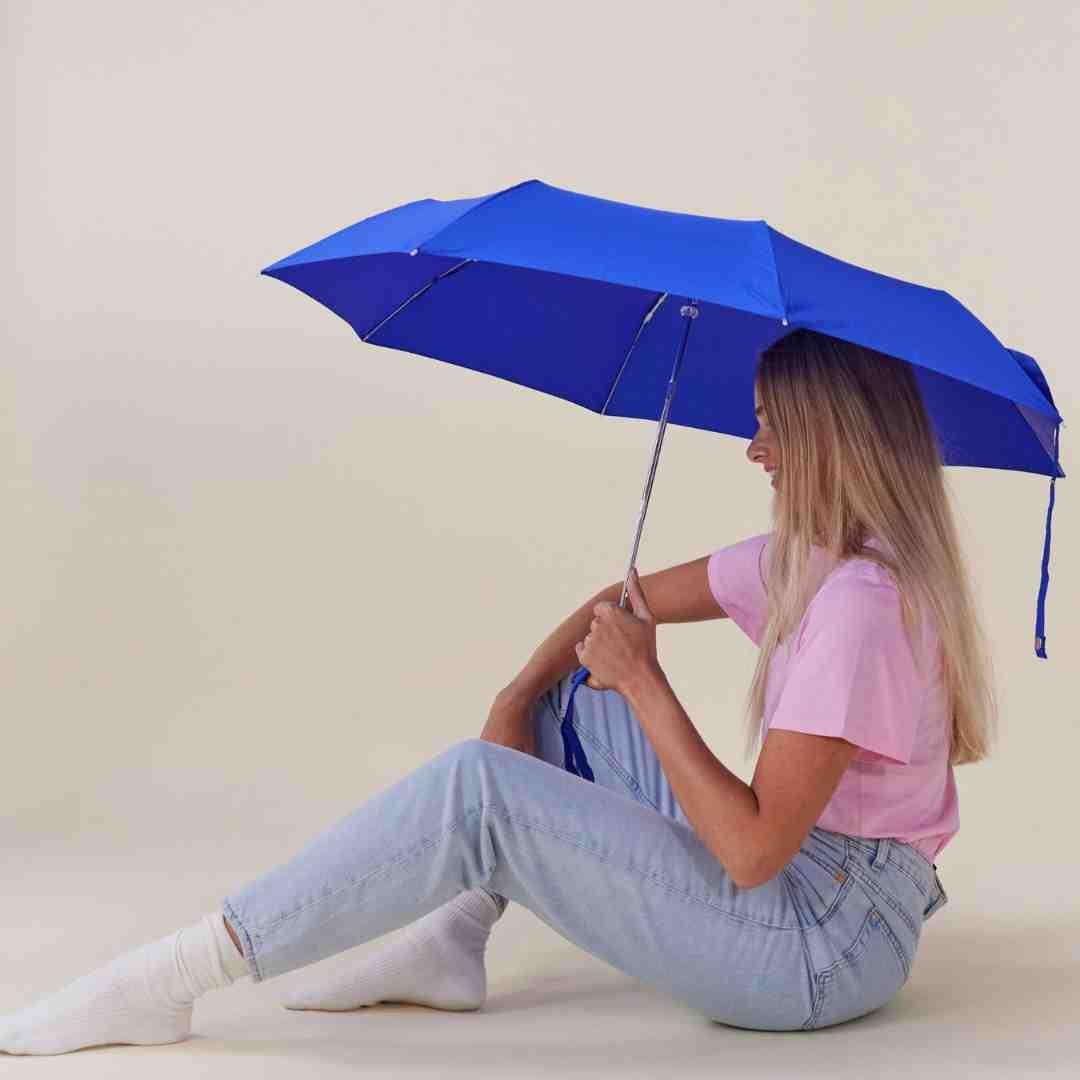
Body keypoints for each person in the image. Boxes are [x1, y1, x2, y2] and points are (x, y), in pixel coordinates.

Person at [0, 329, 991, 1054]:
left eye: (771, 429)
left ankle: (170, 978)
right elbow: (619, 603)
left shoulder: (861, 605)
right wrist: (521, 695)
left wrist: (647, 683)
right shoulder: (812, 557)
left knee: (486, 785)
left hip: (822, 947)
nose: (753, 449)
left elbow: (752, 851)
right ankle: (453, 940)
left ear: (828, 441)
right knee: (576, 692)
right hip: (806, 891)